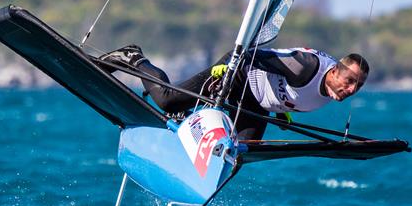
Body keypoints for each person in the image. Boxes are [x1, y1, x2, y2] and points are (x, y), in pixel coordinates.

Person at [98, 45, 368, 140]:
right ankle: (133, 58)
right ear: (334, 71)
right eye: (350, 80)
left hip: (258, 102)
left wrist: (280, 110)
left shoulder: (331, 88)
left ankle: (189, 123)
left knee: (235, 152)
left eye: (358, 86)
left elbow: (284, 89)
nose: (351, 89)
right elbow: (250, 56)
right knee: (168, 101)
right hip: (238, 75)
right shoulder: (304, 68)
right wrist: (224, 70)